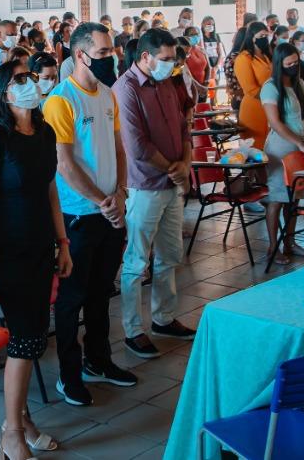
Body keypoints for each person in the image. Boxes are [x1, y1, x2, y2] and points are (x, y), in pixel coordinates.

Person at [0, 62, 69, 459]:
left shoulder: (43, 131)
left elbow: (50, 192)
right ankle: (10, 433)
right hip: (6, 248)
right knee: (24, 339)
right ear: (4, 92)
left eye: (33, 77)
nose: (32, 84)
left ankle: (22, 421)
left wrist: (63, 242)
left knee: (35, 334)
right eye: (20, 79)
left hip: (41, 243)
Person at [42, 22, 135, 406]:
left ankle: (100, 360)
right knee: (72, 298)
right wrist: (101, 200)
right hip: (78, 214)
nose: (109, 58)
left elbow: (118, 148)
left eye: (111, 51)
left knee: (101, 292)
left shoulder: (108, 95)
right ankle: (69, 372)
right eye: (101, 53)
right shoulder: (61, 100)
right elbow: (64, 164)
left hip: (109, 210)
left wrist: (121, 192)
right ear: (80, 55)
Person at [111, 29, 194, 360]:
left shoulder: (167, 83)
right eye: (165, 59)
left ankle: (163, 317)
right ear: (144, 57)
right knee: (136, 261)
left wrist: (185, 163)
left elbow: (184, 127)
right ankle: (133, 329)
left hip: (172, 182)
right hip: (144, 185)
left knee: (170, 254)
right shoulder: (125, 89)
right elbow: (137, 145)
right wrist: (172, 167)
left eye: (173, 59)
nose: (171, 65)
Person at [260, 42, 304, 264]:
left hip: (300, 147)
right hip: (280, 149)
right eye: (289, 64)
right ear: (279, 64)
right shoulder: (270, 87)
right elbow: (275, 123)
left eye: (296, 63)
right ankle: (273, 246)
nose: (293, 66)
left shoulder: (299, 83)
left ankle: (290, 242)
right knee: (276, 199)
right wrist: (300, 142)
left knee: (294, 199)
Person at [233, 21, 273, 142]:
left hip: (270, 107)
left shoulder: (267, 55)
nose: (265, 39)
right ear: (252, 38)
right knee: (258, 149)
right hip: (255, 108)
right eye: (261, 36)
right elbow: (251, 89)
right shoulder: (244, 58)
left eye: (266, 36)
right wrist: (273, 97)